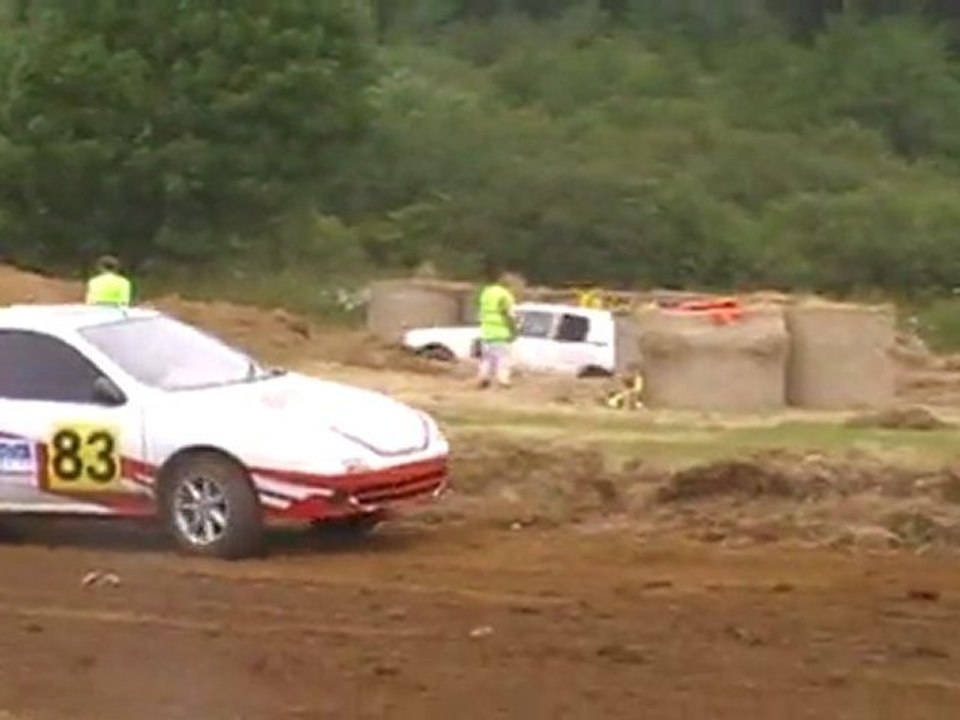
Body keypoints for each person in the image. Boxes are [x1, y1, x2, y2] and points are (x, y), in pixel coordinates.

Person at [476, 260, 517, 389]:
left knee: (487, 359)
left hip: (486, 332)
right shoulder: (505, 295)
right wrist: (513, 330)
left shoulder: (486, 293)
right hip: (501, 332)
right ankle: (503, 381)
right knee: (503, 359)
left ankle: (483, 378)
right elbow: (507, 313)